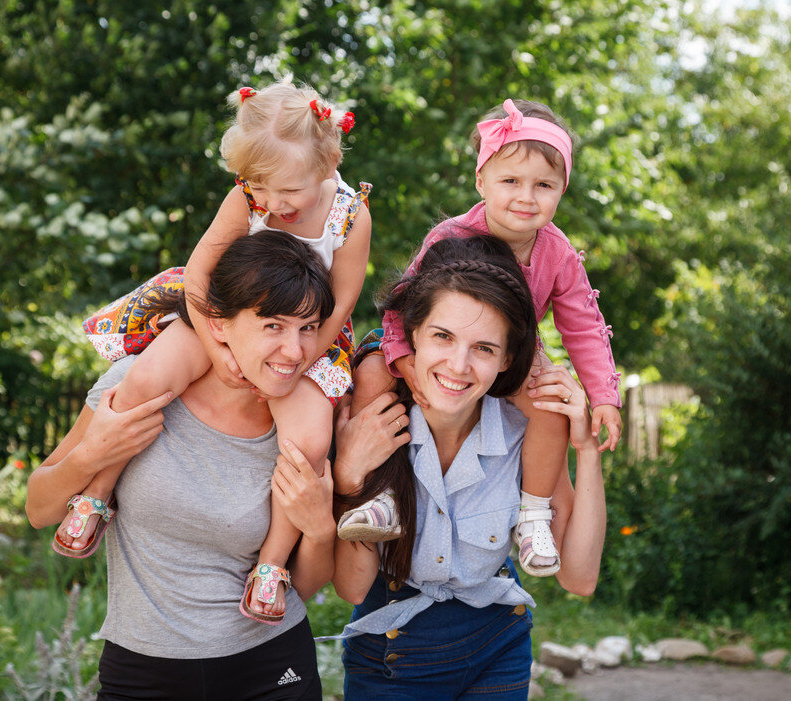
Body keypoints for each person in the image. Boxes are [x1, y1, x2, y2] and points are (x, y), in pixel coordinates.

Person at [56, 81, 372, 624]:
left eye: (289, 190)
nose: (274, 204)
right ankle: (98, 494)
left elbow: (341, 307)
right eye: (261, 187)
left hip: (306, 336)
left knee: (310, 443)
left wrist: (293, 361)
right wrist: (217, 344)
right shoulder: (248, 198)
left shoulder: (349, 216)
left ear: (327, 163)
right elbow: (200, 272)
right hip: (221, 317)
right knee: (146, 378)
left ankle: (271, 566)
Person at [26, 231, 337, 699]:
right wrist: (93, 455)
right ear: (219, 323)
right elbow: (39, 509)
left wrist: (320, 530)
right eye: (272, 325)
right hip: (142, 672)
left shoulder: (305, 426)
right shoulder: (138, 385)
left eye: (307, 328)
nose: (295, 351)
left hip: (271, 667)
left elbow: (305, 587)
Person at [338, 97, 620, 578]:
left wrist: (604, 397)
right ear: (480, 181)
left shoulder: (558, 253)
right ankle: (381, 495)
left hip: (513, 359)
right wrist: (405, 363)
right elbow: (399, 309)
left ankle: (532, 516)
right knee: (369, 374)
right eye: (510, 180)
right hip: (424, 351)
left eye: (544, 185)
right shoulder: (449, 237)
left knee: (550, 403)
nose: (526, 197)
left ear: (562, 191)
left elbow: (584, 326)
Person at [314, 235, 606, 699]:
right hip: (392, 658)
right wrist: (349, 475)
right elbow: (351, 588)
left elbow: (580, 577)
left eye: (485, 348)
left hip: (497, 651)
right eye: (442, 337)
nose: (459, 364)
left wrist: (585, 447)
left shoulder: (528, 434)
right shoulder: (370, 424)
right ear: (411, 335)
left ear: (509, 359)